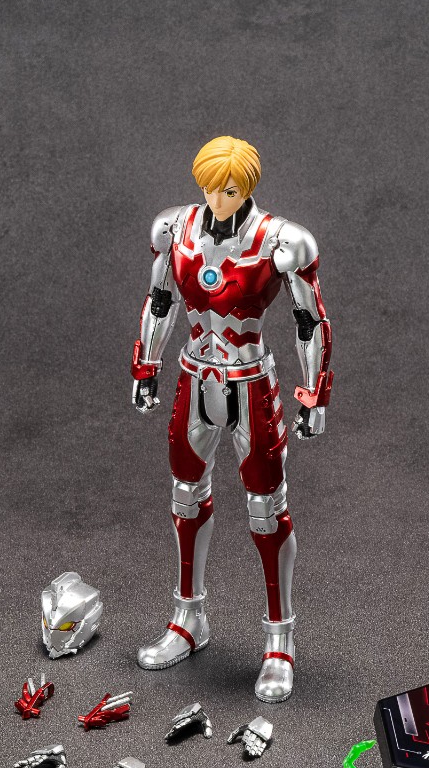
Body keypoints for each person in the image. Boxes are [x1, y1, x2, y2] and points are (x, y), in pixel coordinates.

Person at [130, 135, 332, 702]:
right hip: (195, 375)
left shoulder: (282, 241)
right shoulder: (174, 229)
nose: (217, 198)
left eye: (229, 189)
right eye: (209, 187)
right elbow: (160, 302)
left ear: (247, 187)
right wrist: (146, 366)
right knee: (185, 496)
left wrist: (314, 395)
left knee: (267, 509)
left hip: (250, 382)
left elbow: (311, 321)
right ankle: (187, 619)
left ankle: (279, 642)